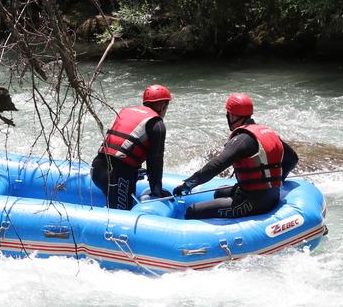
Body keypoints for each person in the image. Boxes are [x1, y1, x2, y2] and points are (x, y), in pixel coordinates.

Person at [172, 92, 298, 220]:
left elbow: (217, 164)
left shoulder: (243, 139)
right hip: (272, 196)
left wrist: (188, 184)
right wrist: (276, 182)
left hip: (252, 203)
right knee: (219, 193)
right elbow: (293, 159)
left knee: (192, 211)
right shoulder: (267, 133)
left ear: (231, 116)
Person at [90, 84, 173, 210]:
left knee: (113, 207)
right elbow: (155, 161)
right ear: (162, 105)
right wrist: (157, 192)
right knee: (120, 218)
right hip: (117, 175)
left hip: (97, 168)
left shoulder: (125, 111)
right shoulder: (157, 124)